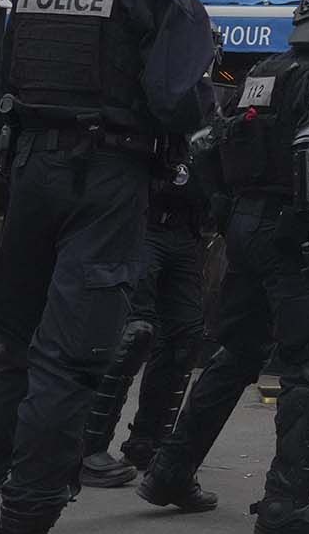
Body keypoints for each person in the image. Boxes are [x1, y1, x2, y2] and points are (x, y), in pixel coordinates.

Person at [0, 0, 217, 534]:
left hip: (33, 172)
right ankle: (28, 514)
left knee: (13, 352)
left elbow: (1, 82)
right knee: (72, 360)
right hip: (110, 181)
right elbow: (179, 103)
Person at [140, 0, 309, 534]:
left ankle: (170, 469)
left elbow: (206, 144)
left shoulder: (265, 71)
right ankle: (286, 503)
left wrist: (225, 208)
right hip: (288, 227)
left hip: (246, 225)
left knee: (237, 352)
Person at [77, 130, 219, 487]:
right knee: (132, 331)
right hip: (144, 221)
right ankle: (88, 447)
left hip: (184, 232)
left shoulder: (208, 108)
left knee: (185, 334)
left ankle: (148, 442)